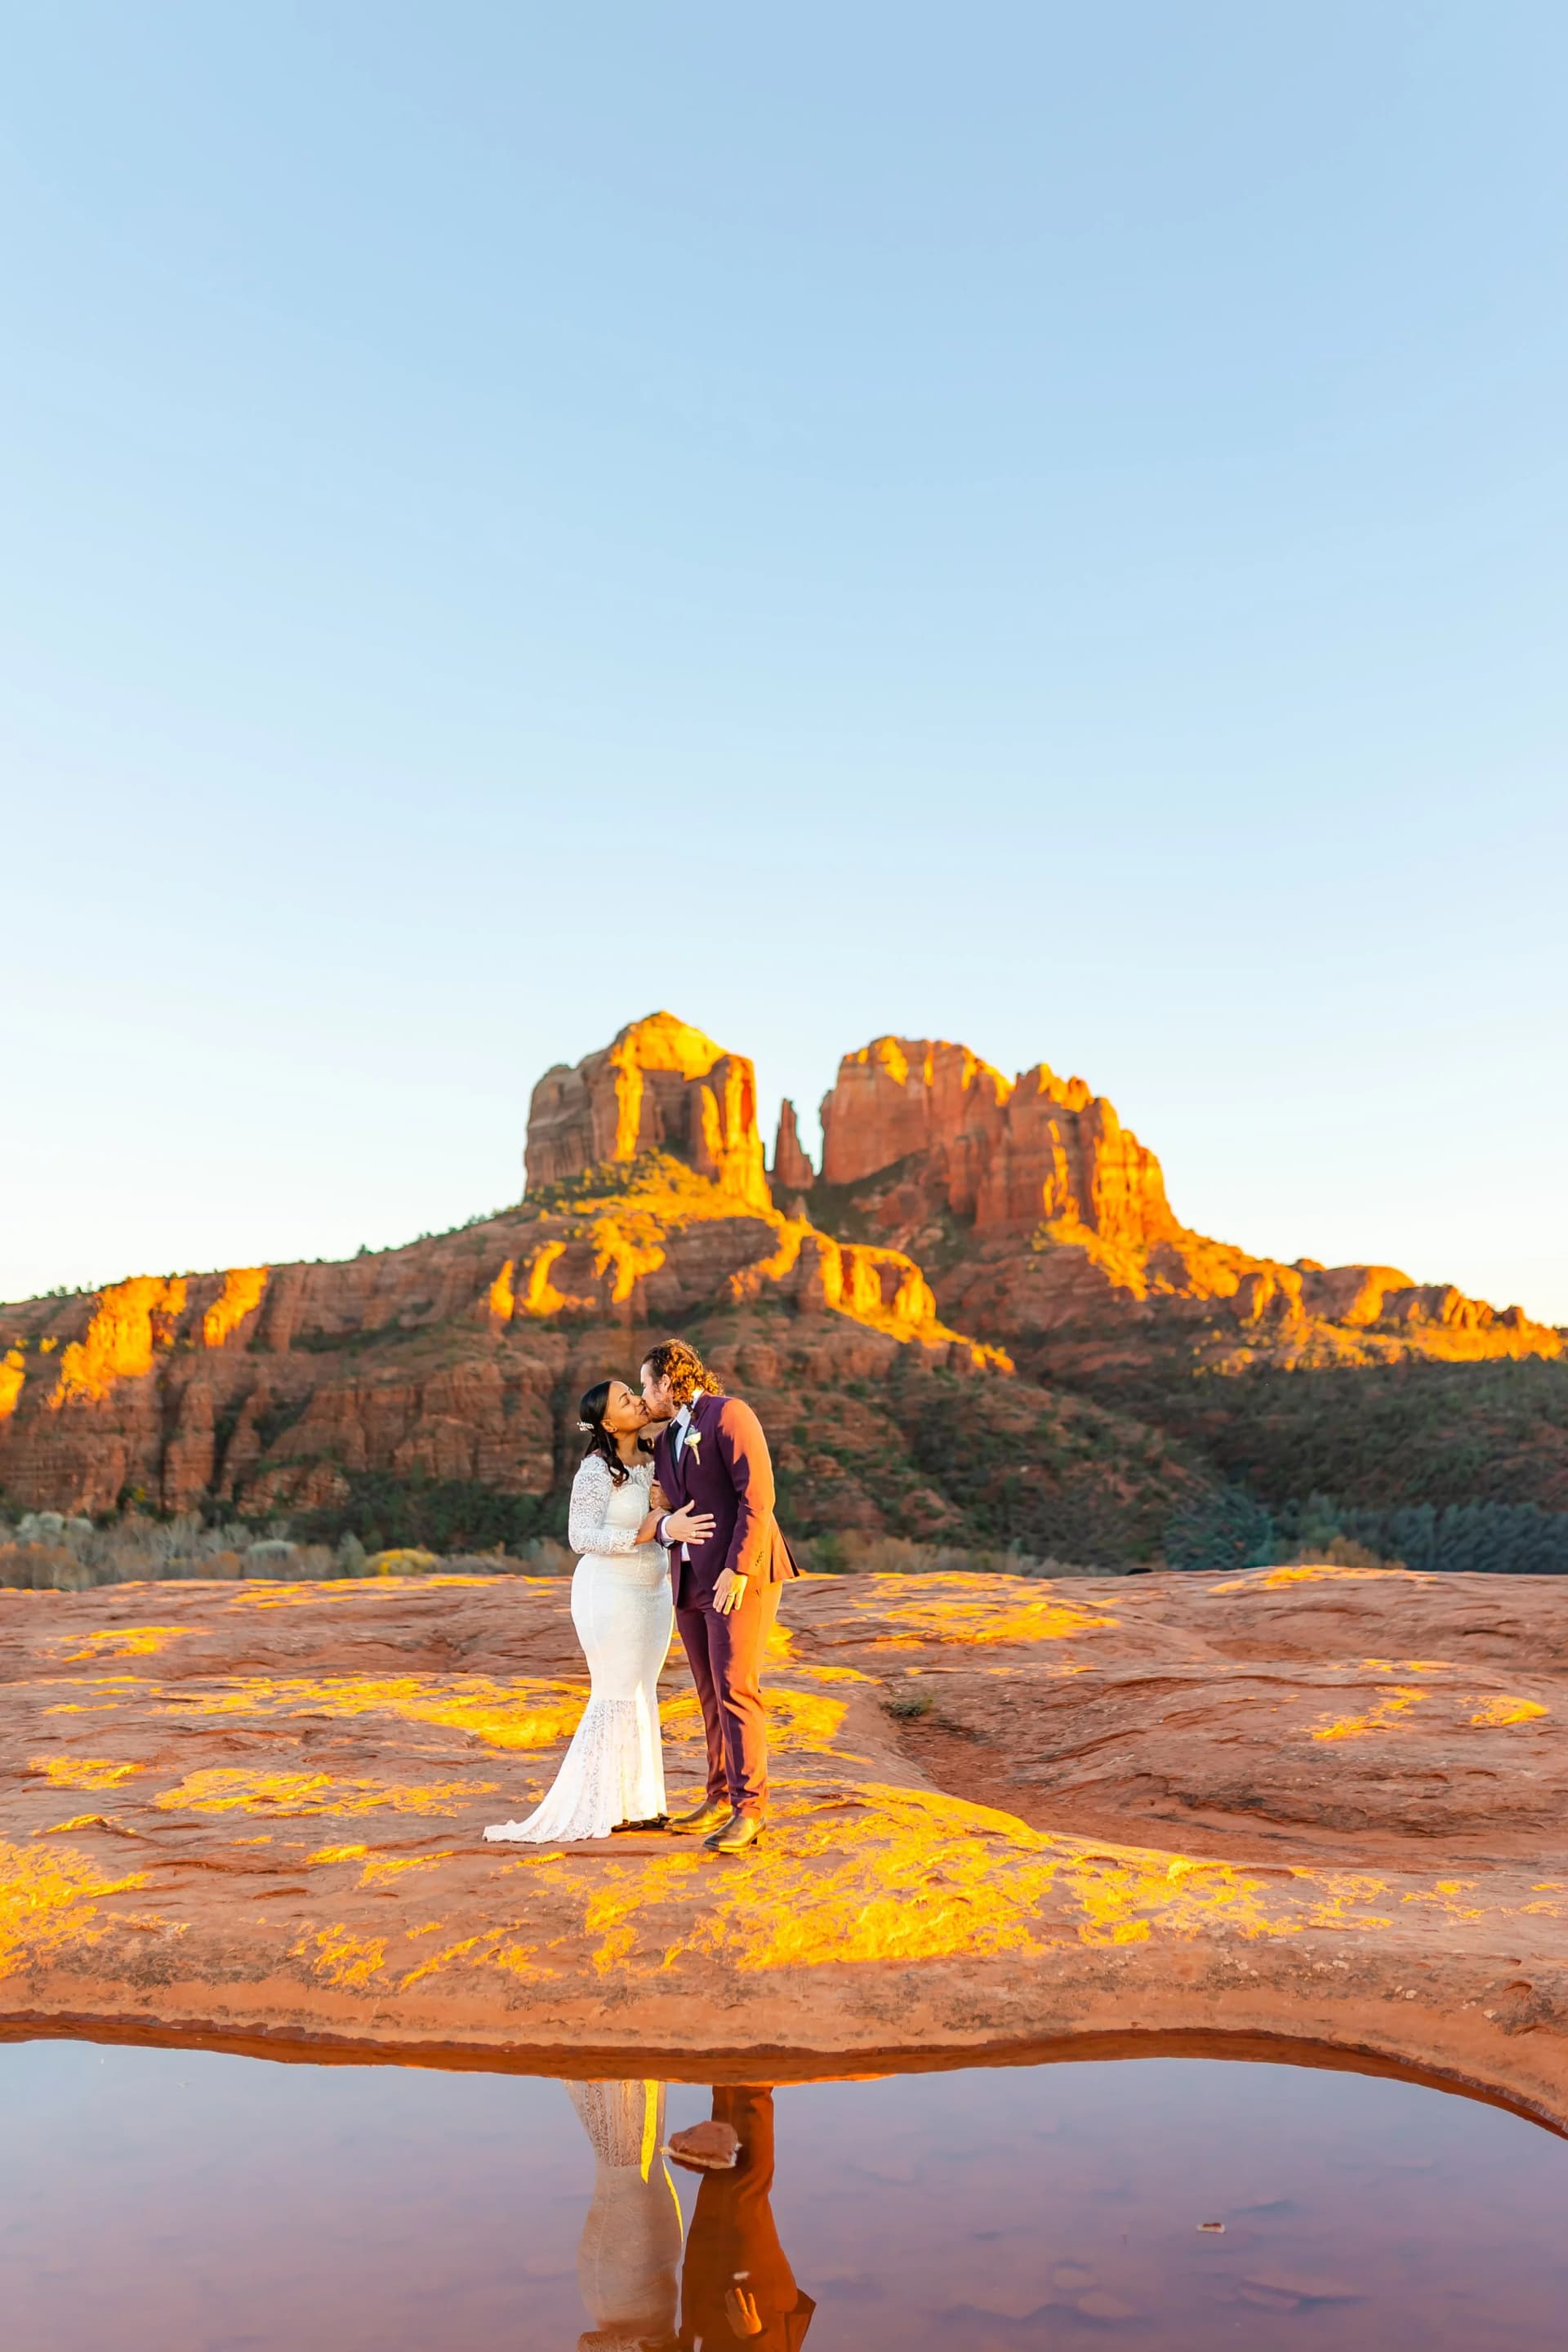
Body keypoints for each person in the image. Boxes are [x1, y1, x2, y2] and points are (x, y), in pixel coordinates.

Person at [483, 1378, 713, 1843]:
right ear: (608, 1423)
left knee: (642, 1690)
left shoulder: (656, 1457)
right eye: (625, 1399)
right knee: (614, 1690)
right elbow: (580, 1537)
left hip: (653, 1593)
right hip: (608, 1592)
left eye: (634, 1392)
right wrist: (643, 1533)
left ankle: (640, 1805)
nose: (637, 1400)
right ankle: (600, 1805)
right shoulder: (595, 1470)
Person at [641, 1339, 799, 1856]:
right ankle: (717, 1796)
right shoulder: (667, 1438)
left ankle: (750, 1810)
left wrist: (739, 1568)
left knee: (736, 1689)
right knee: (709, 1693)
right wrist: (665, 1520)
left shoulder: (730, 1415)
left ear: (668, 1382)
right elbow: (666, 1509)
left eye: (646, 1385)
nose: (643, 1396)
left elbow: (758, 1498)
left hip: (739, 1576)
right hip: (689, 1579)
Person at [665, 2089, 815, 2350]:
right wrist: (756, 2336)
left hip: (709, 2310)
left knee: (719, 2175)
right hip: (754, 2316)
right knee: (746, 2192)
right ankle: (754, 2088)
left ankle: (727, 2081)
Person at [563, 2077, 684, 2351]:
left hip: (621, 2291)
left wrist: (638, 2347)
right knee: (641, 2160)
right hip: (651, 2293)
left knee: (630, 2163)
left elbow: (588, 2344)